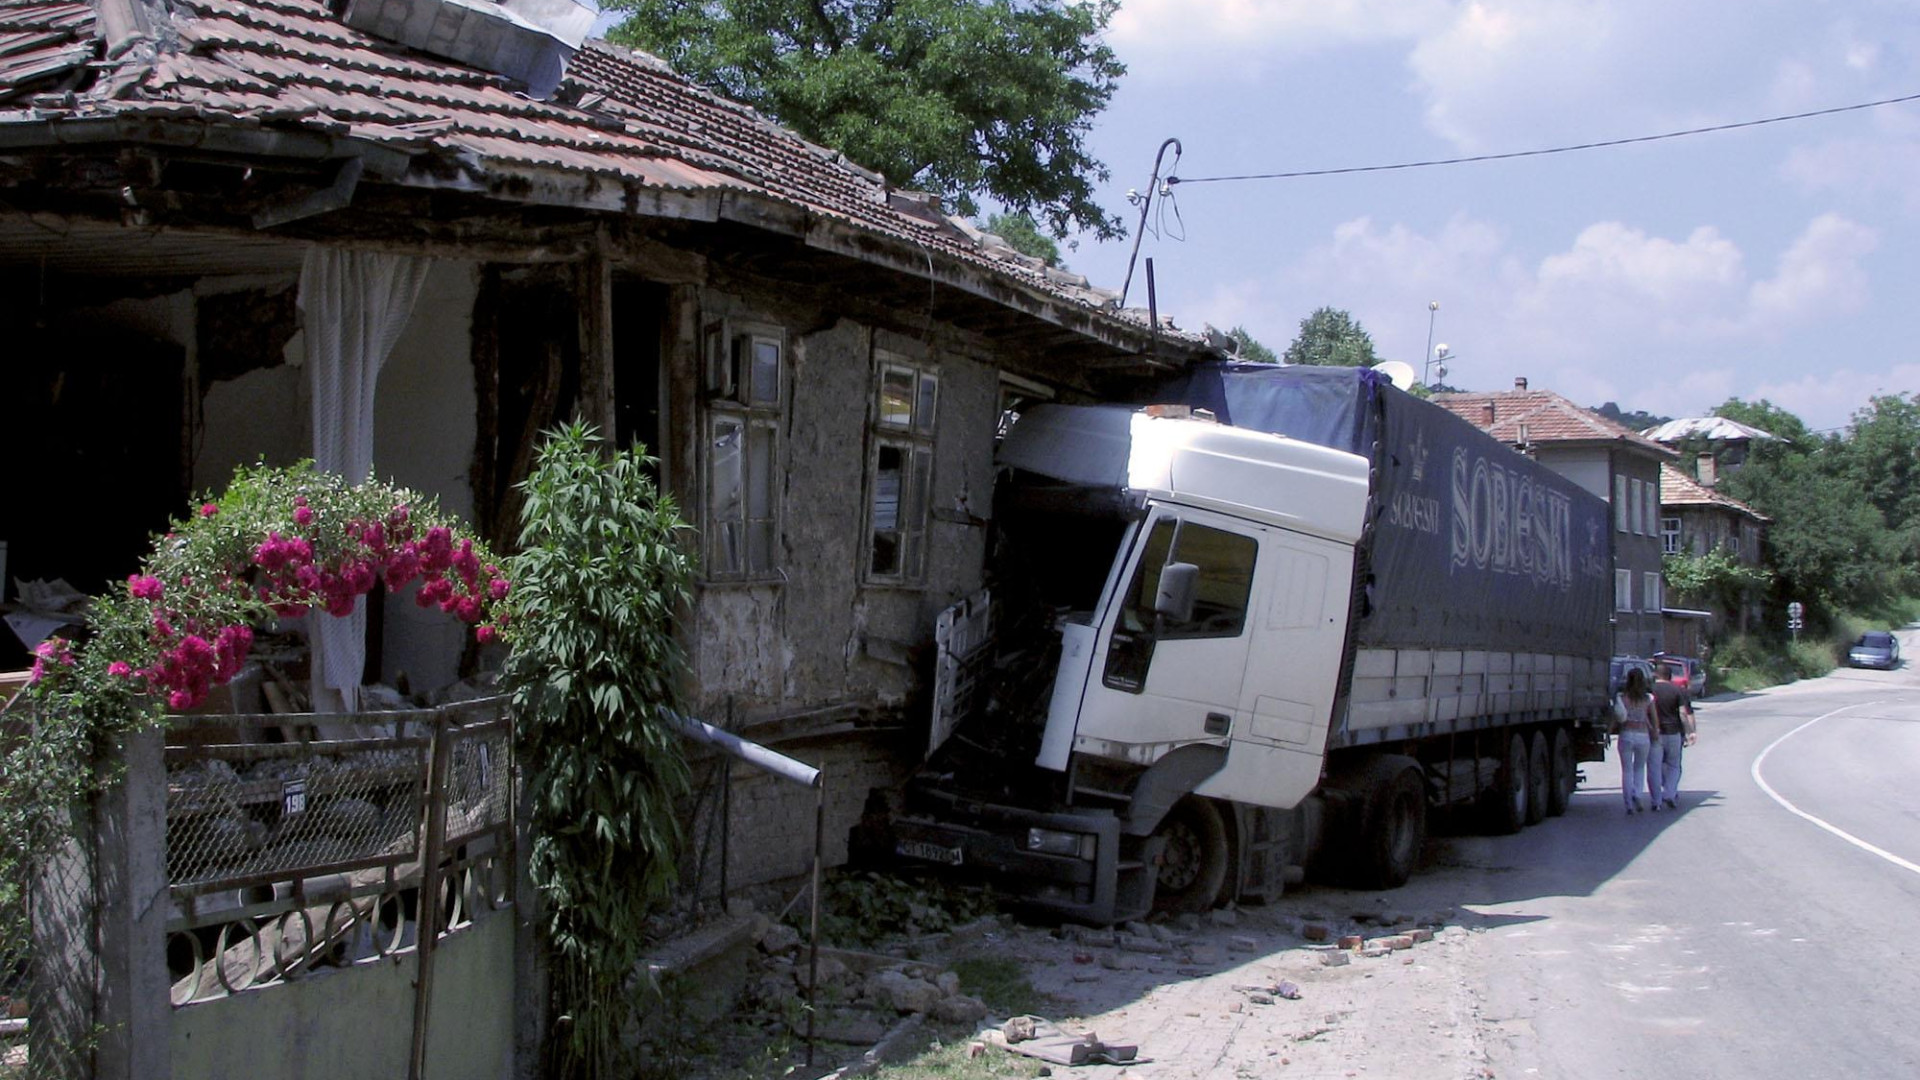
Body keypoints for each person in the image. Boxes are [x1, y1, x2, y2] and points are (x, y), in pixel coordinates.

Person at [1648, 661, 1696, 810]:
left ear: (1656, 675)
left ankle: (1656, 801)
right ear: (1670, 676)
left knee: (1655, 767)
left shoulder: (1650, 690)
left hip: (1655, 734)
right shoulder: (1677, 690)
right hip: (1674, 732)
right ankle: (1669, 793)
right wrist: (1690, 732)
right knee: (1674, 765)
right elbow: (1683, 713)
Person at [1613, 667, 1657, 814]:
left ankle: (1628, 804)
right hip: (1643, 735)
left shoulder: (1622, 697)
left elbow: (1616, 717)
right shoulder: (1648, 698)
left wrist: (1608, 731)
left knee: (1627, 770)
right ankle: (1637, 794)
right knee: (1639, 768)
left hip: (1626, 734)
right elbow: (1654, 718)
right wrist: (1655, 732)